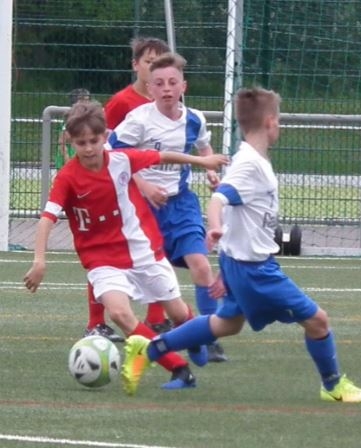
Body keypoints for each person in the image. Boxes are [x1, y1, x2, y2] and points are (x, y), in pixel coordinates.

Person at [120, 87, 361, 403]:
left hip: (241, 264)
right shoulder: (249, 165)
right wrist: (215, 227)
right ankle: (333, 385)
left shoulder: (252, 159)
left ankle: (151, 348)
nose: (278, 126)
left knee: (226, 323)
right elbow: (219, 198)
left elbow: (239, 214)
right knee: (318, 320)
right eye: (278, 120)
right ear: (270, 122)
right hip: (256, 271)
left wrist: (226, 267)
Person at [23, 101, 228, 390]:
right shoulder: (67, 177)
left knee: (179, 313)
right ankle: (179, 369)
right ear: (71, 141)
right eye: (81, 143)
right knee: (120, 314)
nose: (89, 148)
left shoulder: (121, 160)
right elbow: (47, 218)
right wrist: (39, 261)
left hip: (143, 250)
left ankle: (194, 337)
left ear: (104, 137)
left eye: (94, 141)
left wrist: (203, 162)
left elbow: (162, 155)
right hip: (101, 259)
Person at [108, 52, 228, 363]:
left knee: (201, 265)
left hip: (181, 204)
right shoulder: (138, 121)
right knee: (152, 277)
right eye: (159, 83)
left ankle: (209, 338)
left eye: (172, 82)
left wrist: (210, 170)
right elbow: (114, 155)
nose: (166, 89)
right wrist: (144, 186)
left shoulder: (194, 119)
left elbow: (203, 146)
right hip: (143, 209)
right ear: (150, 89)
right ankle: (173, 328)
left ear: (183, 86)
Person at [84, 37, 171, 344]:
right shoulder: (122, 102)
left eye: (160, 63)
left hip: (156, 193)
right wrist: (140, 183)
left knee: (155, 250)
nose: (154, 68)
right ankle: (95, 322)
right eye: (149, 62)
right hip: (123, 192)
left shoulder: (167, 103)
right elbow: (104, 145)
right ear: (136, 65)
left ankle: (156, 317)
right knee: (106, 254)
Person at [55, 88, 91, 169]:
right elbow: (62, 143)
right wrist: (67, 160)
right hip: (67, 161)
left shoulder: (85, 118)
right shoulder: (70, 119)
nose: (86, 103)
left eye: (87, 100)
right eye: (83, 100)